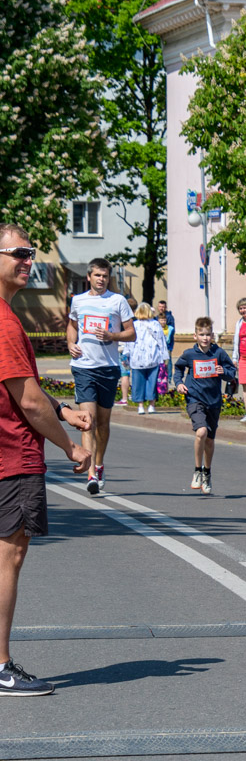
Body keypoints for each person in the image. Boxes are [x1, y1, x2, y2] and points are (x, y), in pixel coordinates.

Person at [0, 224, 92, 696]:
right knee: (8, 557)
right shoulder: (4, 320)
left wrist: (63, 409)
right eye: (17, 252)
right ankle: (0, 666)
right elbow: (27, 401)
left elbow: (26, 389)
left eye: (30, 252)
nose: (27, 260)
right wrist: (70, 446)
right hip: (12, 457)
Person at [67, 257, 134, 494]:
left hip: (108, 368)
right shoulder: (78, 300)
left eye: (105, 276)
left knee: (103, 424)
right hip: (84, 367)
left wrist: (112, 336)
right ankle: (91, 474)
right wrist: (70, 343)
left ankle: (99, 463)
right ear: (89, 277)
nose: (101, 279)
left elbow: (131, 333)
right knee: (88, 421)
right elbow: (72, 325)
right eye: (97, 275)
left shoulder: (118, 301)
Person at [173, 317, 237, 495]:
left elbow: (231, 372)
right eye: (201, 334)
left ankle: (207, 472)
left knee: (209, 440)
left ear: (212, 335)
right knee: (201, 431)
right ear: (195, 336)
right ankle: (197, 470)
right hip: (194, 398)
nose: (205, 338)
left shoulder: (219, 353)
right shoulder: (189, 354)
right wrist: (178, 383)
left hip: (213, 401)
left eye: (208, 334)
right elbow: (178, 368)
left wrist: (223, 372)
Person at [129, 302, 169, 415]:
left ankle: (140, 406)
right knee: (152, 382)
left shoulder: (134, 325)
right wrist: (165, 357)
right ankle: (152, 405)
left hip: (137, 359)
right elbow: (161, 341)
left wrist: (127, 356)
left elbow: (129, 342)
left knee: (138, 383)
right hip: (153, 357)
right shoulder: (155, 324)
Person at [117, 296, 137, 406]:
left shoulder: (122, 319)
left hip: (123, 348)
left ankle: (124, 398)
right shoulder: (136, 319)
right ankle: (134, 395)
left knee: (125, 373)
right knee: (135, 373)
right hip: (135, 349)